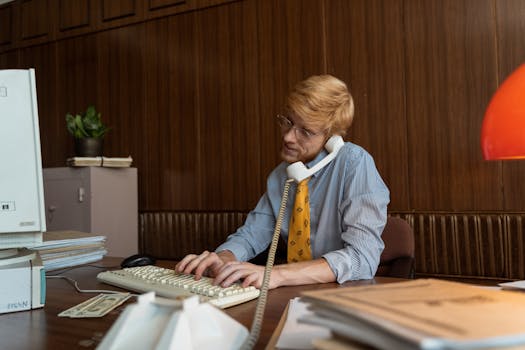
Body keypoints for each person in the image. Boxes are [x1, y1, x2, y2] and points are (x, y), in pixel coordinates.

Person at [176, 74, 390, 289]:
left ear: (331, 137)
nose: (288, 137)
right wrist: (224, 257)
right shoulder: (281, 176)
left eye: (305, 131)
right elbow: (252, 234)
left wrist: (277, 274)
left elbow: (361, 259)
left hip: (342, 299)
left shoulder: (354, 164)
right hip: (296, 294)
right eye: (287, 122)